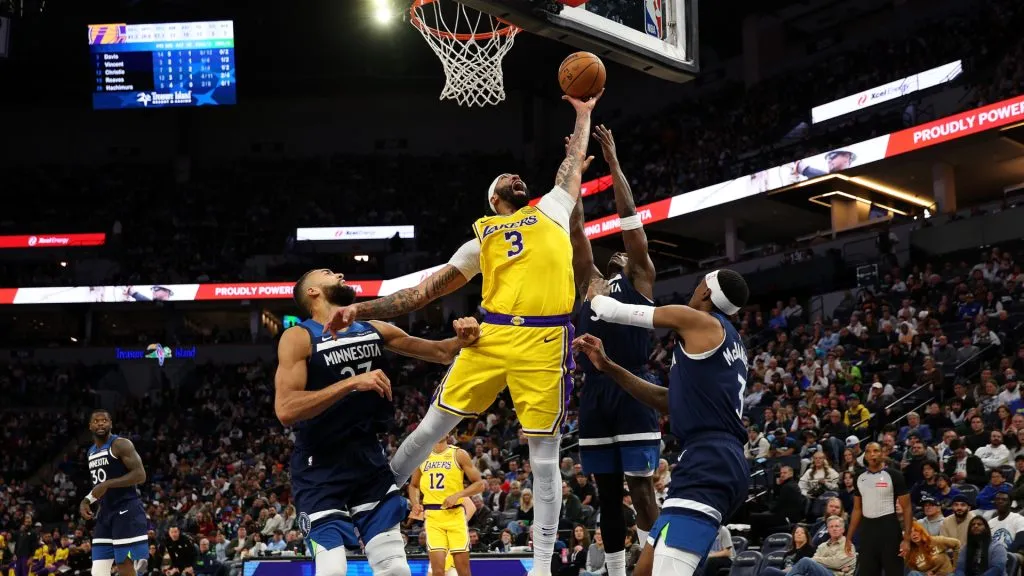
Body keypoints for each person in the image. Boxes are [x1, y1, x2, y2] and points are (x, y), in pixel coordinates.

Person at [322, 92, 603, 576]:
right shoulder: (482, 239)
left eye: (519, 176)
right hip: (490, 338)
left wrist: (582, 112)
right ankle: (373, 500)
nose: (516, 176)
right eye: (505, 179)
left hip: (543, 342)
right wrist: (360, 310)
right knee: (432, 427)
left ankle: (540, 567)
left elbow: (572, 162)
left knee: (543, 458)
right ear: (494, 199)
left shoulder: (553, 209)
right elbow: (420, 294)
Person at [276, 269, 481, 576]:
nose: (341, 274)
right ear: (312, 293)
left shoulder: (372, 328)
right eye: (328, 273)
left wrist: (464, 338)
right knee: (332, 570)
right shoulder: (299, 336)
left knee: (396, 569)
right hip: (320, 465)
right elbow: (285, 408)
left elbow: (441, 352)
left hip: (368, 460)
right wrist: (352, 383)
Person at [574, 266, 751, 576]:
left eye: (698, 285)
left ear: (706, 292)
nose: (693, 291)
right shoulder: (725, 342)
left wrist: (594, 294)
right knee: (643, 571)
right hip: (714, 458)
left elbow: (617, 310)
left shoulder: (697, 319)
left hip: (709, 461)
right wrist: (608, 366)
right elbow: (666, 401)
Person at [567, 124, 661, 576]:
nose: (622, 253)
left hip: (634, 386)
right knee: (605, 491)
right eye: (619, 253)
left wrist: (615, 164)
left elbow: (631, 221)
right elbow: (576, 228)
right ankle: (619, 572)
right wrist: (572, 175)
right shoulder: (589, 283)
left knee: (641, 490)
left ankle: (663, 567)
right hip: (595, 392)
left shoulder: (641, 274)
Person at [79, 409, 148, 576]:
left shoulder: (120, 444)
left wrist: (109, 484)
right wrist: (86, 500)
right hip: (105, 512)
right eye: (96, 420)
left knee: (124, 565)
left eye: (104, 420)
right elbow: (99, 485)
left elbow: (140, 475)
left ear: (111, 424)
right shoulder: (91, 452)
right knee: (98, 570)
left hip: (126, 509)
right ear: (90, 426)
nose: (101, 423)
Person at [409, 437, 486, 576]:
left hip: (455, 515)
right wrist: (415, 503)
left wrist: (458, 495)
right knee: (437, 572)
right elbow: (413, 485)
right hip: (433, 518)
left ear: (448, 432)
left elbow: (480, 484)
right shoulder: (422, 456)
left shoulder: (459, 454)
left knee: (463, 571)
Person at [846, 442, 913, 576]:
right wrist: (849, 537)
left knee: (894, 572)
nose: (872, 454)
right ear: (865, 455)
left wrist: (906, 539)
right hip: (867, 531)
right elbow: (857, 509)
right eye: (869, 452)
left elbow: (907, 508)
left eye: (876, 451)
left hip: (889, 530)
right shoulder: (859, 477)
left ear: (882, 454)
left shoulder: (894, 475)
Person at [786, 516, 855, 576]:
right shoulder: (822, 546)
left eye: (837, 526)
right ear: (828, 530)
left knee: (806, 561)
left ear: (843, 529)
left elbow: (837, 563)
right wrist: (832, 564)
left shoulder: (848, 545)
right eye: (831, 527)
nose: (834, 529)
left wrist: (817, 560)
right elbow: (818, 563)